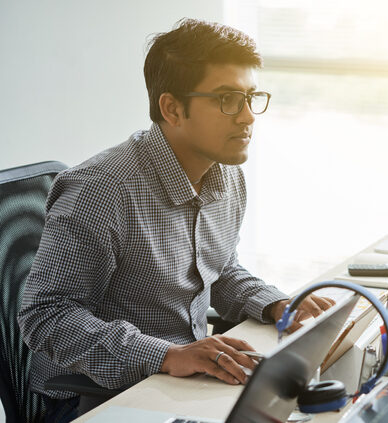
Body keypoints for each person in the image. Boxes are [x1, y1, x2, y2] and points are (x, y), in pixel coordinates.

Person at [18, 18, 334, 420]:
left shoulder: (226, 175)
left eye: (251, 97)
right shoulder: (103, 190)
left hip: (182, 384)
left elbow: (219, 271)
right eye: (228, 99)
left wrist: (278, 305)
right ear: (172, 108)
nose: (248, 117)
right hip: (96, 399)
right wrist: (166, 355)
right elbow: (46, 315)